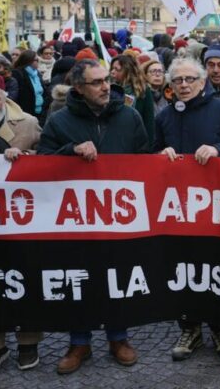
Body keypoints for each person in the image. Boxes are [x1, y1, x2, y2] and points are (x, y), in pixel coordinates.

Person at [37, 59, 148, 374]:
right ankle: (79, 342)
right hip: (76, 217)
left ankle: (118, 337)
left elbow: (143, 158)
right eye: (97, 82)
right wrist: (70, 150)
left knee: (117, 275)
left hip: (120, 215)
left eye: (107, 80)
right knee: (79, 276)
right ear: (78, 88)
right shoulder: (58, 121)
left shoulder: (130, 115)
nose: (105, 87)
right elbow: (42, 164)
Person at [153, 58, 220, 362]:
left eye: (189, 79)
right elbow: (150, 152)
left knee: (216, 265)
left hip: (216, 205)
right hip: (178, 207)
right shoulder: (164, 116)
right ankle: (190, 328)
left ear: (202, 81)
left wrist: (219, 149)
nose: (183, 85)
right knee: (183, 267)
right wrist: (159, 154)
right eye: (177, 80)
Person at [0, 73, 43, 375]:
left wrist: (27, 158)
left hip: (20, 216)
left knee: (27, 276)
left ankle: (29, 342)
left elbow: (50, 160)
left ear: (6, 100)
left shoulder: (27, 123)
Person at [110, 55, 155, 149]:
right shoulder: (109, 89)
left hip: (136, 144)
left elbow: (149, 121)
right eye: (112, 69)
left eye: (117, 69)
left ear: (128, 71)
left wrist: (149, 149)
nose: (112, 72)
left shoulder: (143, 90)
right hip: (114, 143)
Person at [11, 50, 46, 122]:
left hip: (40, 112)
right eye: (36, 60)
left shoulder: (37, 73)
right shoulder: (18, 73)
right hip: (25, 113)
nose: (38, 61)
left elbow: (43, 91)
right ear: (28, 61)